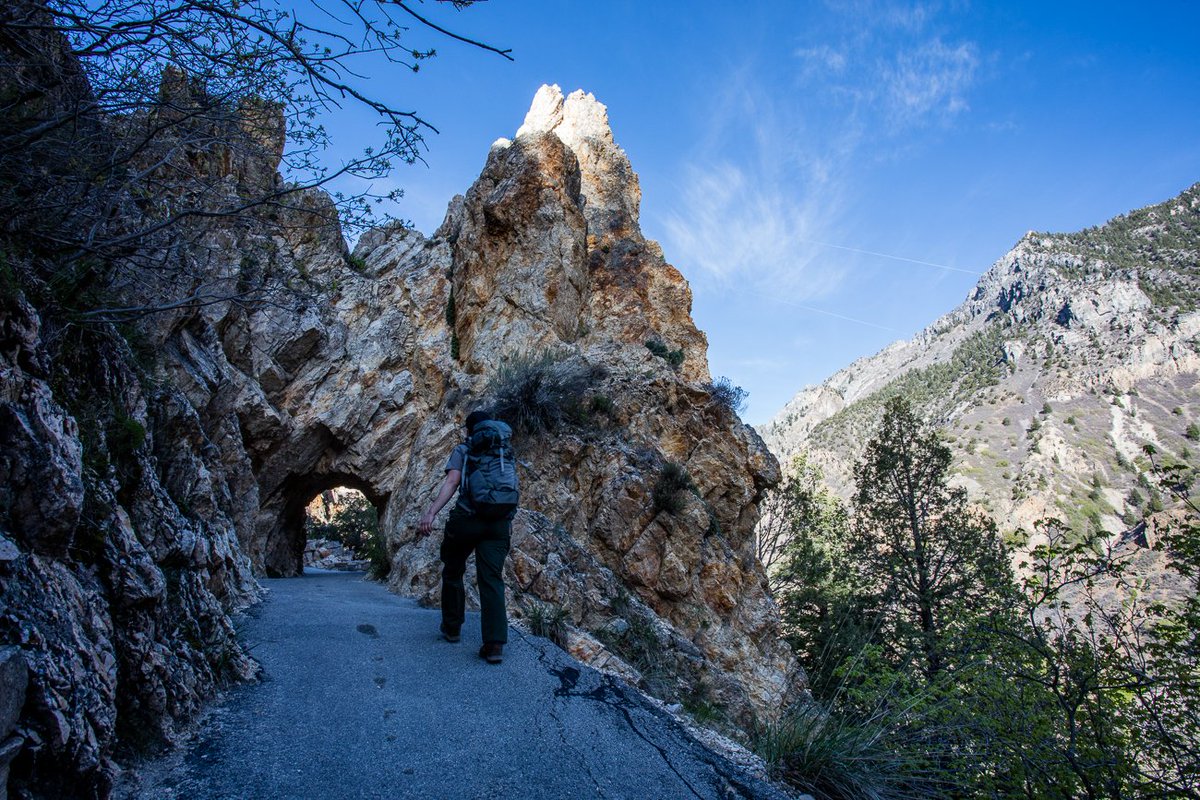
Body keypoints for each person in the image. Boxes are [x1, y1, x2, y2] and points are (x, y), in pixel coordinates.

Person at [417, 410, 514, 664]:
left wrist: (431, 512)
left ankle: (452, 628)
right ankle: (494, 645)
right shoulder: (503, 450)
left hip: (467, 519)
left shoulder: (465, 449)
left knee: (452, 569)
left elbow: (452, 482)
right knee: (491, 579)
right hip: (499, 522)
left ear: (469, 430)